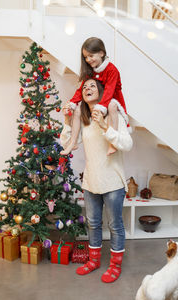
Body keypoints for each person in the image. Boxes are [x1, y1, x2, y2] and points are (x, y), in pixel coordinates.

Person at [60, 78, 133, 283]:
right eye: (84, 87)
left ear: (102, 91)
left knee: (115, 225)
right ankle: (93, 261)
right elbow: (67, 143)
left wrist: (104, 126)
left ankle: (115, 265)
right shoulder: (83, 119)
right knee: (93, 223)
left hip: (113, 182)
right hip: (91, 181)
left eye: (92, 85)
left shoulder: (113, 114)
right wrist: (67, 121)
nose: (87, 89)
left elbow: (127, 143)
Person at [60, 37, 130, 157]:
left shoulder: (112, 70)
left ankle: (112, 144)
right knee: (77, 108)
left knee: (112, 105)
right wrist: (72, 104)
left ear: (101, 53)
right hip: (90, 173)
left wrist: (100, 108)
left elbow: (109, 91)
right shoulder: (91, 71)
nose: (88, 60)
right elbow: (80, 90)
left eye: (91, 56)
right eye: (86, 57)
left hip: (113, 97)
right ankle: (73, 142)